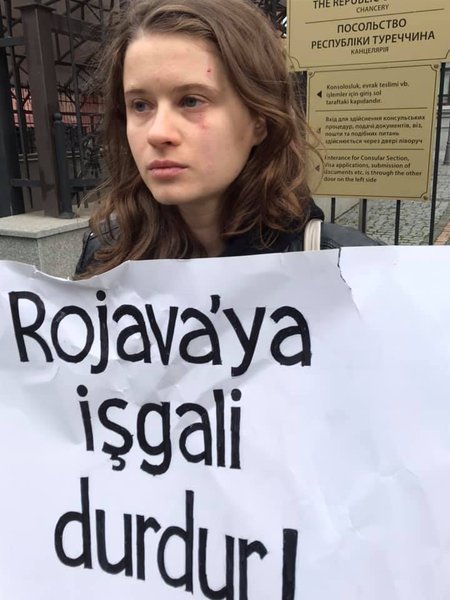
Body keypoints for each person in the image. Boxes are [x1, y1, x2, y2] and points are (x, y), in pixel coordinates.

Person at [75, 0, 380, 278]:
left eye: (191, 101)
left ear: (259, 119)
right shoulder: (106, 258)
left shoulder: (349, 269)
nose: (158, 133)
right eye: (140, 105)